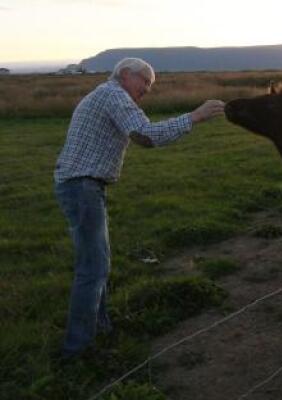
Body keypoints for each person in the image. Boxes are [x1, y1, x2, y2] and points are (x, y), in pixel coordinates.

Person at [53, 57, 225, 359]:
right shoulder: (113, 94)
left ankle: (100, 328)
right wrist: (194, 116)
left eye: (150, 85)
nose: (147, 89)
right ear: (125, 74)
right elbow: (147, 135)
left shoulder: (104, 94)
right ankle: (76, 350)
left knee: (98, 263)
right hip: (82, 186)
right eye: (145, 82)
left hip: (82, 185)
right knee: (93, 268)